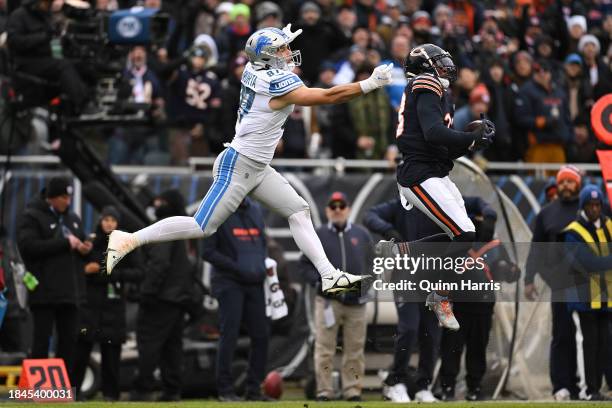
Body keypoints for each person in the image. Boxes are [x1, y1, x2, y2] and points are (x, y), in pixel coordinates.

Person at [105, 24, 393, 294]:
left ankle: (329, 275)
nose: (287, 53)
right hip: (240, 164)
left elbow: (267, 59)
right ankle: (130, 239)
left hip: (257, 166)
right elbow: (329, 95)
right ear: (267, 58)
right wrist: (368, 84)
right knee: (202, 227)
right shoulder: (275, 82)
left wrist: (279, 36)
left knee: (298, 210)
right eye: (280, 50)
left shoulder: (254, 70)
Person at [375, 43, 495, 330]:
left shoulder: (440, 93)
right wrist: (468, 139)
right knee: (464, 234)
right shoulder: (426, 84)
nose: (447, 69)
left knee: (465, 236)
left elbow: (443, 149)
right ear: (426, 67)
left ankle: (401, 252)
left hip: (434, 170)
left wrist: (473, 142)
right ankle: (439, 295)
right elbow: (433, 132)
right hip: (419, 172)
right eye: (441, 63)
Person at [437, 201, 520, 401]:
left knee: (478, 349)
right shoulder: (455, 241)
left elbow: (506, 271)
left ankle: (474, 388)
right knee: (451, 349)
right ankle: (447, 387)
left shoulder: (495, 245)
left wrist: (510, 271)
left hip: (484, 304)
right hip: (456, 304)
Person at [364, 197, 444, 403]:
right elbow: (370, 215)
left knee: (431, 333)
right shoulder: (400, 205)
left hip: (432, 277)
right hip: (405, 275)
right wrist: (389, 230)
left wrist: (486, 215)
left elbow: (472, 208)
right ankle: (396, 382)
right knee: (409, 328)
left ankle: (423, 386)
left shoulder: (440, 202)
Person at [300, 192, 373, 402]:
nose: (338, 209)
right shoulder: (318, 235)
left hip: (356, 302)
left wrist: (364, 287)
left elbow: (373, 263)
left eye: (342, 205)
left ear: (348, 209)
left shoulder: (361, 234)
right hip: (328, 301)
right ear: (327, 210)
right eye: (333, 206)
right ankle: (324, 390)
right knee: (324, 348)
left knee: (355, 348)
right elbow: (304, 265)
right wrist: (319, 283)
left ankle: (352, 390)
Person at [16, 177, 92, 381]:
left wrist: (85, 249)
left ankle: (62, 387)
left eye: (69, 197)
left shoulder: (73, 219)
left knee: (68, 340)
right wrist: (64, 243)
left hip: (70, 292)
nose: (67, 201)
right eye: (63, 197)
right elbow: (28, 247)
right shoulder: (31, 217)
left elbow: (79, 243)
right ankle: (39, 388)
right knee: (42, 339)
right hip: (44, 291)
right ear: (51, 197)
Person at [201, 197, 270, 402]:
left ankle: (254, 390)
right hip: (229, 282)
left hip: (255, 281)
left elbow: (261, 242)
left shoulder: (255, 210)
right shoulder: (216, 210)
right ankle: (225, 390)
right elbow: (207, 252)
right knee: (229, 334)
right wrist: (237, 267)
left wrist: (260, 265)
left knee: (262, 335)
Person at [72, 206, 144, 401]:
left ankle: (111, 395)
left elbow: (139, 272)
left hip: (113, 305)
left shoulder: (125, 244)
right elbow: (77, 268)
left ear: (118, 223)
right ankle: (74, 392)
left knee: (111, 352)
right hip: (90, 305)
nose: (109, 223)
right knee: (81, 349)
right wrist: (86, 268)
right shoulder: (90, 242)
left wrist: (106, 272)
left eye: (113, 220)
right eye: (106, 220)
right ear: (100, 221)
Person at [524, 165, 582, 401]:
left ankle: (590, 384)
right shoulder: (546, 214)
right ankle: (562, 385)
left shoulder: (590, 210)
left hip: (589, 283)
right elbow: (536, 250)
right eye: (563, 181)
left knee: (594, 335)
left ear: (578, 184)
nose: (566, 185)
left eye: (570, 181)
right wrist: (529, 279)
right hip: (560, 284)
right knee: (562, 335)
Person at [131, 190, 195, 401]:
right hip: (179, 298)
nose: (156, 203)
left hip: (160, 298)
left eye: (160, 201)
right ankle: (172, 390)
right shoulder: (186, 228)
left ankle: (143, 389)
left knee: (148, 344)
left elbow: (159, 264)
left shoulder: (164, 228)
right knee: (172, 347)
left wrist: (147, 292)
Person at [563, 185, 612, 401]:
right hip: (584, 298)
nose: (594, 209)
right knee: (589, 344)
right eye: (590, 205)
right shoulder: (573, 231)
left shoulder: (609, 225)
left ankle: (600, 387)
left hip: (607, 297)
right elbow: (587, 263)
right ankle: (590, 389)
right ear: (583, 205)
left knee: (605, 344)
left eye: (597, 204)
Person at [6, 0, 91, 112]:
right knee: (62, 66)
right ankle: (83, 104)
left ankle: (92, 99)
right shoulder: (19, 15)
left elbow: (55, 37)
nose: (48, 5)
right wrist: (44, 36)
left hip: (46, 59)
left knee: (82, 65)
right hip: (27, 62)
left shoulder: (45, 16)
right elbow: (14, 42)